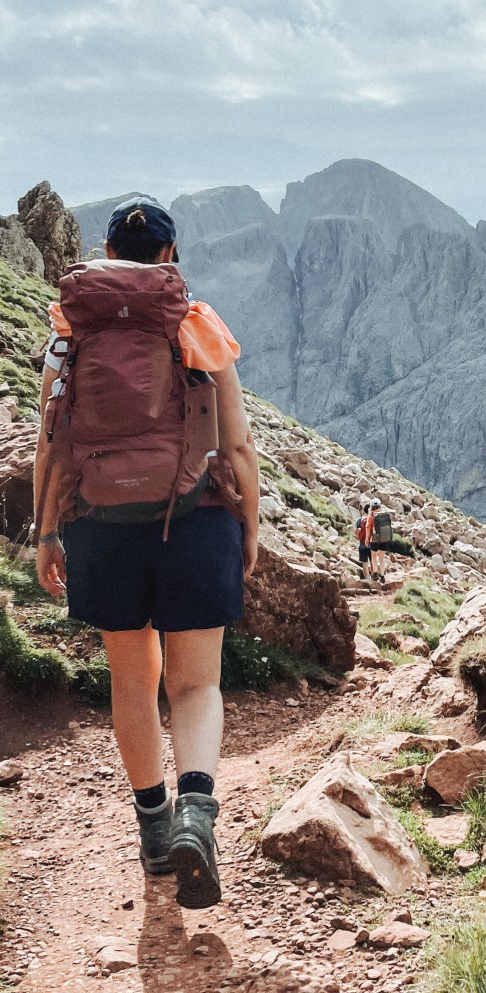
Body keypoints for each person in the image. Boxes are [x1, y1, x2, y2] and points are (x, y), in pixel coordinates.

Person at [33, 196, 259, 910]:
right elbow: (238, 446)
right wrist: (249, 526)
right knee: (195, 685)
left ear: (105, 254)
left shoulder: (69, 333)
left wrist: (46, 533)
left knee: (133, 684)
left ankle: (155, 829)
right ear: (168, 256)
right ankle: (197, 812)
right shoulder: (196, 323)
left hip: (100, 526)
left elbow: (50, 445)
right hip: (194, 521)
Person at [368, 497, 388, 582]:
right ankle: (382, 577)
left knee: (374, 557)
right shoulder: (384, 515)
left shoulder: (371, 517)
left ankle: (375, 574)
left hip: (375, 538)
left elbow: (368, 529)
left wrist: (367, 539)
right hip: (384, 538)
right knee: (382, 558)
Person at [355, 502, 373, 581]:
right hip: (372, 545)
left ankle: (367, 578)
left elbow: (356, 532)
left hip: (362, 545)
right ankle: (374, 577)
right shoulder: (373, 519)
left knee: (365, 562)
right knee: (373, 561)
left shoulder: (359, 520)